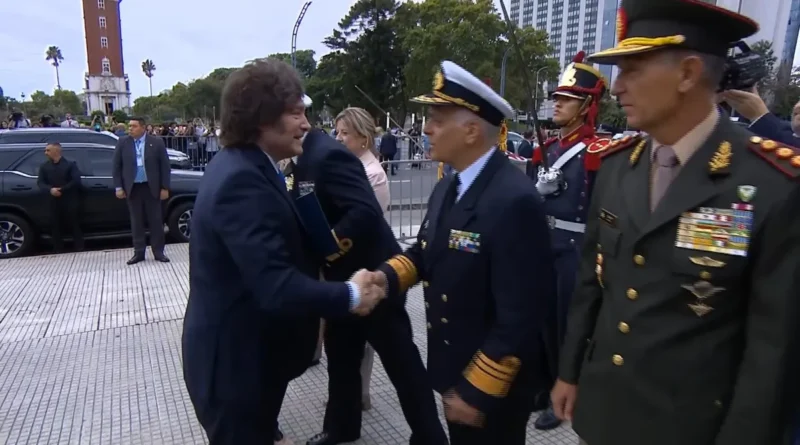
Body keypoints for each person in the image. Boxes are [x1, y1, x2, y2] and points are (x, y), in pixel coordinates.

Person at [550, 1, 800, 444]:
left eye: (633, 70)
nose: (618, 87)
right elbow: (592, 284)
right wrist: (569, 372)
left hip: (692, 426)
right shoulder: (616, 166)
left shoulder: (771, 182)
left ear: (687, 73)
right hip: (607, 411)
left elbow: (772, 349)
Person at [181, 59, 386, 445]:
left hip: (253, 361)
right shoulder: (240, 180)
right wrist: (352, 294)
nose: (306, 124)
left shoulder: (253, 166)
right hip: (233, 371)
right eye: (295, 113)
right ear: (262, 118)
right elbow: (274, 284)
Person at [373, 60, 556, 445]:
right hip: (454, 367)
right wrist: (383, 279)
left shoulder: (513, 200)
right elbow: (425, 253)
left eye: (437, 119)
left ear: (472, 130)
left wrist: (478, 390)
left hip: (491, 388)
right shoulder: (449, 186)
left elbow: (522, 314)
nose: (425, 129)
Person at [293, 107, 447, 445]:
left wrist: (327, 247)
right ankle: (342, 427)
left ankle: (430, 436)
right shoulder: (306, 155)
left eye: (346, 132)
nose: (340, 137)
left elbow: (364, 211)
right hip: (343, 282)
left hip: (376, 276)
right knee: (341, 358)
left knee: (401, 363)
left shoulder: (328, 156)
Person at [529, 51, 610, 431]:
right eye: (556, 97)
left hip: (574, 251)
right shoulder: (550, 149)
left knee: (565, 326)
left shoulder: (597, 151)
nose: (556, 103)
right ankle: (544, 385)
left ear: (586, 106)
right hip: (544, 246)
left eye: (566, 99)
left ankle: (562, 394)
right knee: (542, 320)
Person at [112, 117, 171, 265]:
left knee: (156, 221)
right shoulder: (123, 143)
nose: (130, 128)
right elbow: (116, 166)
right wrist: (119, 187)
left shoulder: (156, 142)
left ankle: (158, 252)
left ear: (143, 127)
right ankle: (139, 253)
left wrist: (165, 187)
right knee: (136, 221)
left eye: (134, 126)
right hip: (133, 188)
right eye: (129, 126)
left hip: (151, 187)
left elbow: (164, 166)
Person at [36, 142, 83, 252]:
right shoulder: (44, 167)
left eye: (48, 150)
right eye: (45, 150)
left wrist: (62, 189)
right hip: (52, 200)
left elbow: (76, 181)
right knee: (55, 225)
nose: (45, 153)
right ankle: (58, 249)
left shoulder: (70, 165)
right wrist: (50, 190)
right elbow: (40, 183)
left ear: (56, 151)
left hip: (69, 199)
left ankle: (79, 247)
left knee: (74, 224)